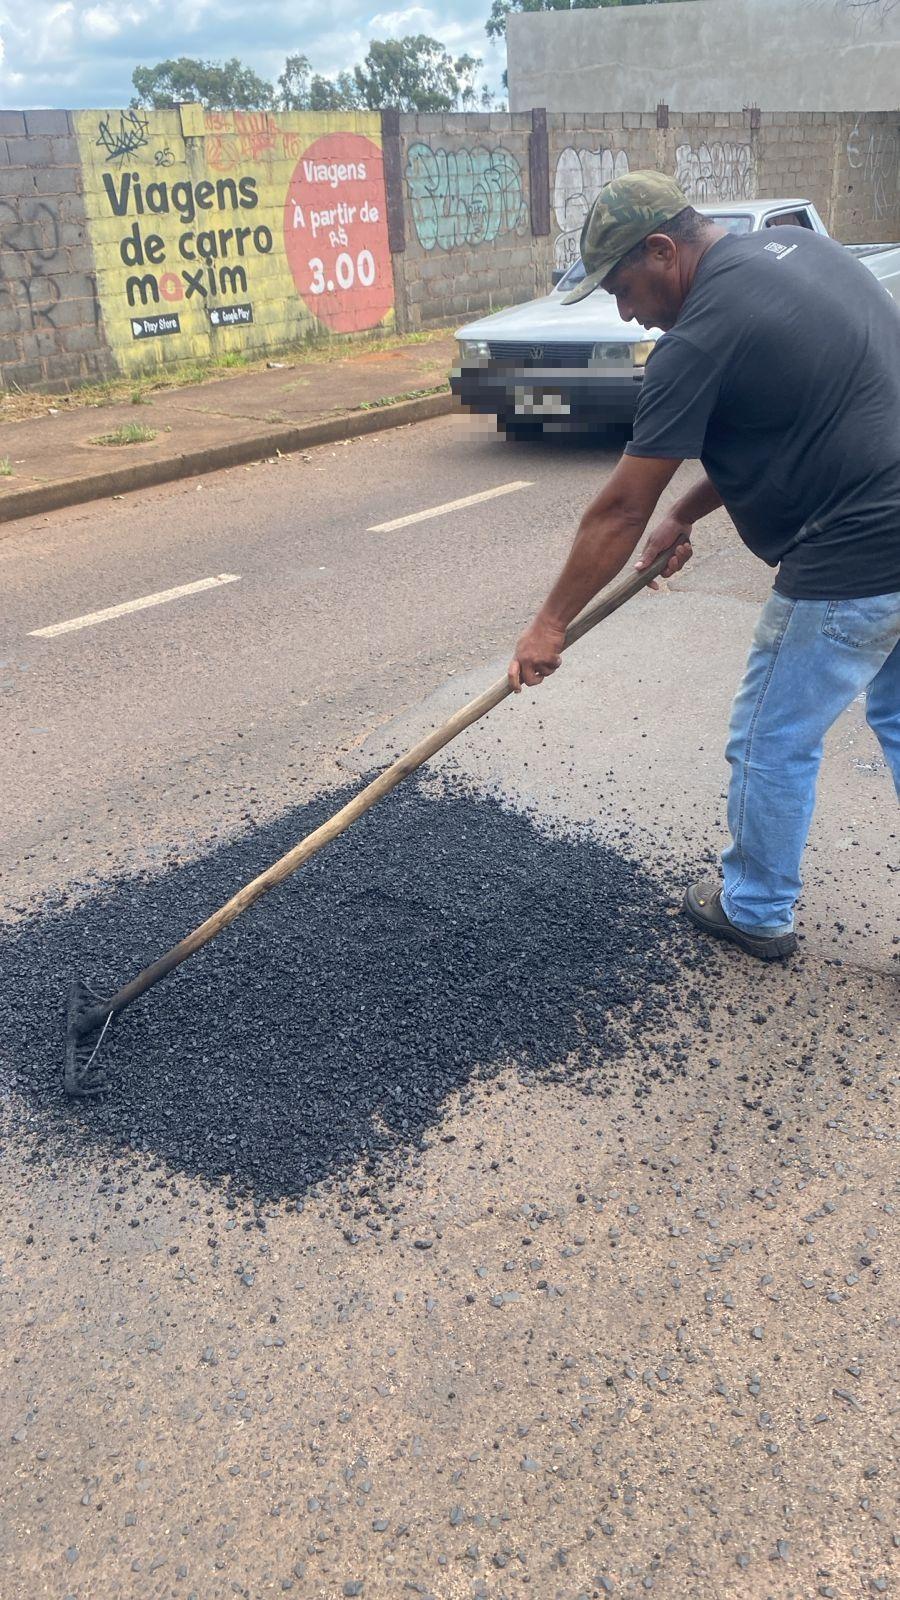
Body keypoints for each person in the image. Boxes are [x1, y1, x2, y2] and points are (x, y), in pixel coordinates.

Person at [509, 170, 900, 961]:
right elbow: (799, 414)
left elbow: (619, 509)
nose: (627, 312)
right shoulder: (799, 250)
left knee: (772, 737)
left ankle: (754, 909)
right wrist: (685, 514)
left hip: (856, 548)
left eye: (624, 287)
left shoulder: (697, 338)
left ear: (663, 249)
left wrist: (548, 627)